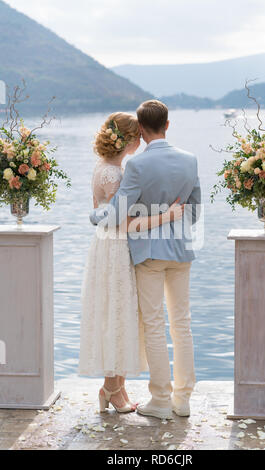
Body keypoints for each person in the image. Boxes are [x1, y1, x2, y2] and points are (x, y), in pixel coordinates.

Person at [90, 101, 201, 419]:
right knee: (182, 325)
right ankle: (183, 400)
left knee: (154, 326)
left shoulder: (136, 167)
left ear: (141, 129)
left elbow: (115, 215)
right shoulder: (190, 160)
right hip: (181, 251)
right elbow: (193, 213)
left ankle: (161, 402)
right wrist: (172, 220)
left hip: (148, 254)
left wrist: (93, 213)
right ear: (168, 125)